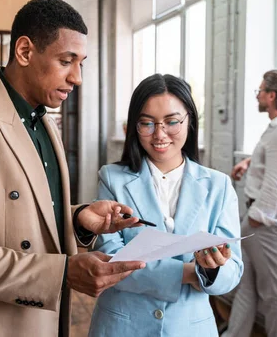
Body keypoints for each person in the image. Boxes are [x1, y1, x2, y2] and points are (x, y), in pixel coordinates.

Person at [0, 0, 145, 337]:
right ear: (24, 51)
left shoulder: (42, 121)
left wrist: (79, 220)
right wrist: (61, 273)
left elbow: (21, 211)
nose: (77, 77)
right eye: (66, 61)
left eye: (81, 63)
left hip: (39, 321)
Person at [88, 74, 244, 337]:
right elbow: (112, 260)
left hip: (190, 328)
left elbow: (233, 270)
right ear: (133, 126)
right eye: (147, 123)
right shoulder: (112, 178)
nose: (159, 134)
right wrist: (190, 274)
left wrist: (213, 270)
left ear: (190, 121)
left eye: (172, 122)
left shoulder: (218, 186)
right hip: (123, 326)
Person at [222, 70, 277, 337]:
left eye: (260, 91)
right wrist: (248, 162)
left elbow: (276, 187)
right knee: (247, 286)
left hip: (267, 218)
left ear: (271, 96)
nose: (258, 96)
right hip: (268, 216)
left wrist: (252, 220)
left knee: (274, 294)